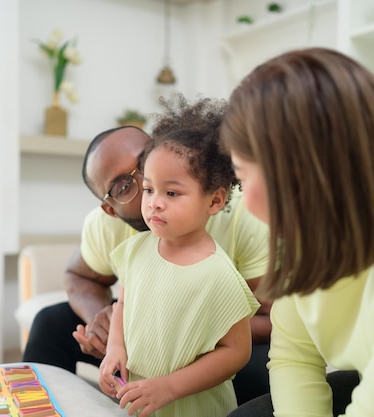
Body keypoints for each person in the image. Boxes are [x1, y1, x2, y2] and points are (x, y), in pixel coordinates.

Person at [220, 47, 374, 417]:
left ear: (297, 172)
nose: (242, 197)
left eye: (241, 176)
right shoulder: (309, 237)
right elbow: (294, 355)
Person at [22, 94, 273, 405]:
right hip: (144, 317)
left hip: (215, 333)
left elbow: (272, 318)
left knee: (263, 378)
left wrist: (181, 330)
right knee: (50, 322)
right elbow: (79, 277)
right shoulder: (114, 232)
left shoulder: (239, 217)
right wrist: (106, 326)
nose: (146, 185)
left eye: (144, 161)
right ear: (110, 209)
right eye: (124, 186)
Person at [99, 98, 261, 417]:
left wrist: (170, 387)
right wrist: (115, 347)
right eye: (148, 189)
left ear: (214, 201)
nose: (154, 203)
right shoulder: (136, 250)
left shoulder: (218, 273)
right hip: (140, 398)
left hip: (191, 405)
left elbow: (236, 352)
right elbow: (123, 305)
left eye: (171, 193)